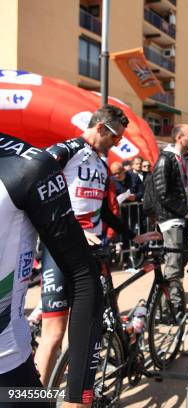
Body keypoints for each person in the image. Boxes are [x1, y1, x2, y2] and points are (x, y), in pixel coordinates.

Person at [35, 105, 159, 386]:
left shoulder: (101, 164)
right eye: (115, 138)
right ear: (102, 127)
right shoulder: (67, 150)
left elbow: (104, 211)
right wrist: (73, 230)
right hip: (62, 250)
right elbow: (37, 192)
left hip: (95, 253)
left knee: (99, 320)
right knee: (54, 333)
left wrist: (132, 235)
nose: (116, 145)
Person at [0, 133, 104, 407]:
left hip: (8, 378)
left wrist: (77, 396)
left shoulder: (28, 165)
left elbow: (83, 277)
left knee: (53, 332)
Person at [152, 124, 188, 312]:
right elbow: (163, 194)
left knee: (180, 262)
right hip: (171, 219)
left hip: (185, 218)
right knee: (173, 264)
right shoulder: (165, 159)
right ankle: (171, 308)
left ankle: (168, 305)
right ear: (179, 138)